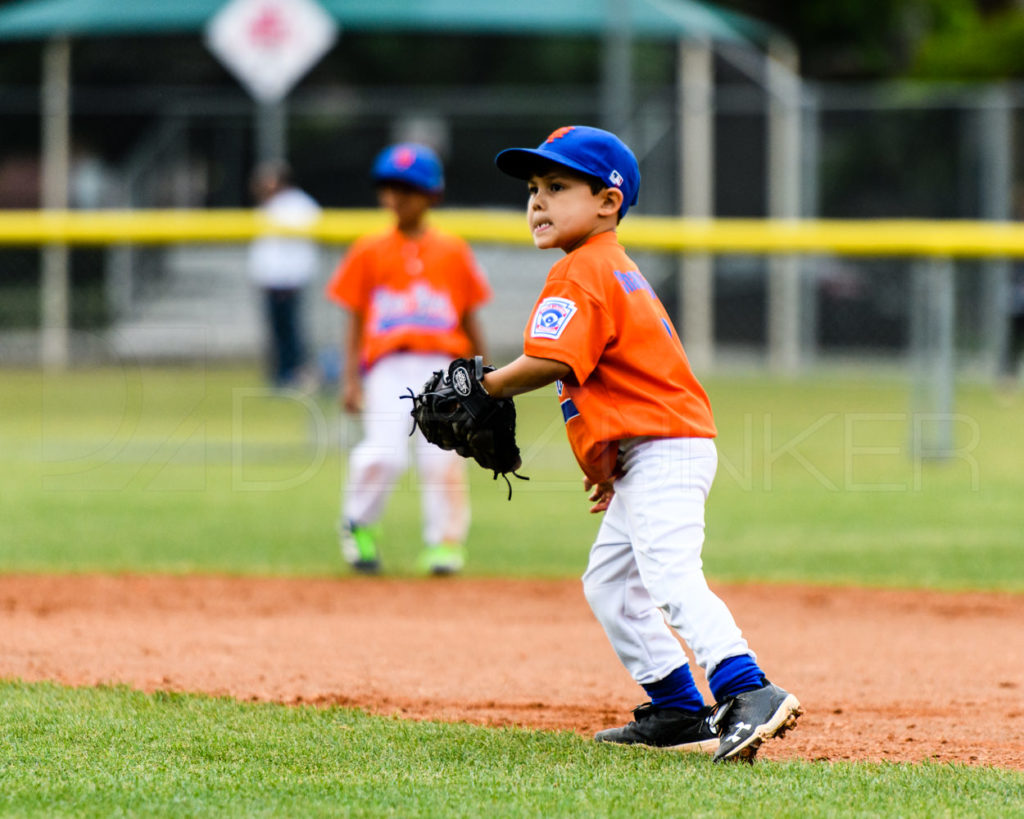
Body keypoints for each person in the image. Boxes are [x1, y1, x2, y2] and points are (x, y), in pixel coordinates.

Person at [481, 125, 802, 763]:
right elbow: (609, 379)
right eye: (533, 189)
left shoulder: (582, 271)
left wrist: (486, 387)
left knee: (669, 574)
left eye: (557, 186)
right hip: (650, 447)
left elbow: (550, 362)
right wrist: (607, 461)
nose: (538, 201)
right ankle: (681, 708)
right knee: (610, 583)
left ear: (608, 202)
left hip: (666, 446)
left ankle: (750, 690)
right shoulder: (605, 269)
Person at [325, 143, 491, 576]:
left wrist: (486, 378)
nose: (397, 197)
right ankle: (358, 524)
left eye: (408, 188)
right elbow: (356, 321)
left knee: (443, 456)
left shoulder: (453, 251)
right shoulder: (368, 249)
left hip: (445, 366)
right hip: (388, 364)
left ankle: (446, 543)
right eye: (390, 187)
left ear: (432, 194)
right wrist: (350, 379)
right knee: (384, 453)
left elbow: (470, 318)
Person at [247, 160, 321, 389]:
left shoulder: (299, 204)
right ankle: (280, 375)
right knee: (276, 331)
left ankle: (296, 374)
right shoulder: (268, 206)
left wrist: (292, 278)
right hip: (270, 281)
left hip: (289, 280)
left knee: (292, 331)